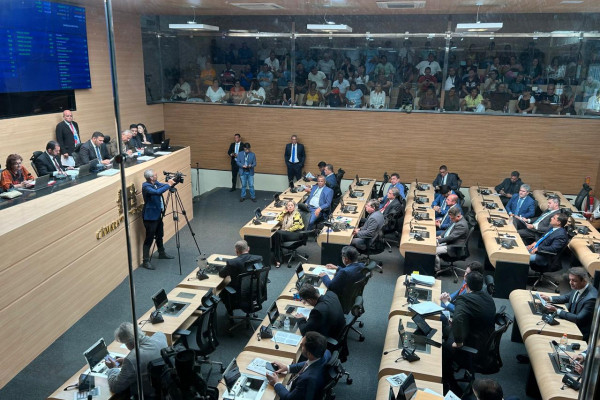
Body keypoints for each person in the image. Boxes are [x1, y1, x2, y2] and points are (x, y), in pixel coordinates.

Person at [442, 271, 496, 395]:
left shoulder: (464, 299)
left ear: (466, 286)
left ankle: (452, 385)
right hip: (485, 342)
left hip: (473, 348)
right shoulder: (488, 298)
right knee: (446, 329)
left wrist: (458, 342)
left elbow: (458, 319)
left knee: (444, 349)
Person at [105, 322, 167, 398]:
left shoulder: (131, 359)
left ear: (129, 343)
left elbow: (115, 387)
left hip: (148, 394)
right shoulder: (160, 336)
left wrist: (113, 368)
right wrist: (125, 362)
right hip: (166, 387)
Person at [266, 331, 331, 400]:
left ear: (309, 354)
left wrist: (276, 383)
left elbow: (289, 399)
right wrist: (287, 368)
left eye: (302, 345)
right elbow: (307, 363)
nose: (300, 344)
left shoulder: (306, 379)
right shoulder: (325, 353)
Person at [540, 267, 598, 341]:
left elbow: (578, 319)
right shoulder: (578, 286)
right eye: (570, 280)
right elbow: (567, 297)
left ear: (584, 281)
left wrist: (557, 311)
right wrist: (549, 298)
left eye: (574, 280)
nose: (570, 282)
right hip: (571, 321)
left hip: (580, 332)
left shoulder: (591, 299)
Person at [141, 169, 175, 270]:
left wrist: (174, 180)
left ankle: (161, 253)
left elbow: (163, 186)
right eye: (155, 175)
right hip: (150, 217)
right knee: (149, 238)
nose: (157, 176)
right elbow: (157, 192)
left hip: (157, 215)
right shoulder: (146, 187)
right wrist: (169, 184)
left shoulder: (155, 183)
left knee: (160, 234)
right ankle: (146, 261)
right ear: (151, 177)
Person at [219, 240, 262, 315]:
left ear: (236, 251)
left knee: (223, 286)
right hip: (256, 291)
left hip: (239, 294)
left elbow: (222, 274)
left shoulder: (232, 263)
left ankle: (230, 312)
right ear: (248, 248)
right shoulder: (258, 258)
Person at [272, 200, 305, 268]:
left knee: (277, 234)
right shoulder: (286, 214)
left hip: (297, 233)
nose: (290, 207)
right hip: (288, 232)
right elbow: (277, 219)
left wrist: (286, 230)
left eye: (291, 205)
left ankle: (278, 258)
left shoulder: (296, 214)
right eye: (288, 205)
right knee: (276, 234)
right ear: (286, 207)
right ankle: (278, 256)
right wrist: (284, 212)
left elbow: (296, 226)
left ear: (294, 207)